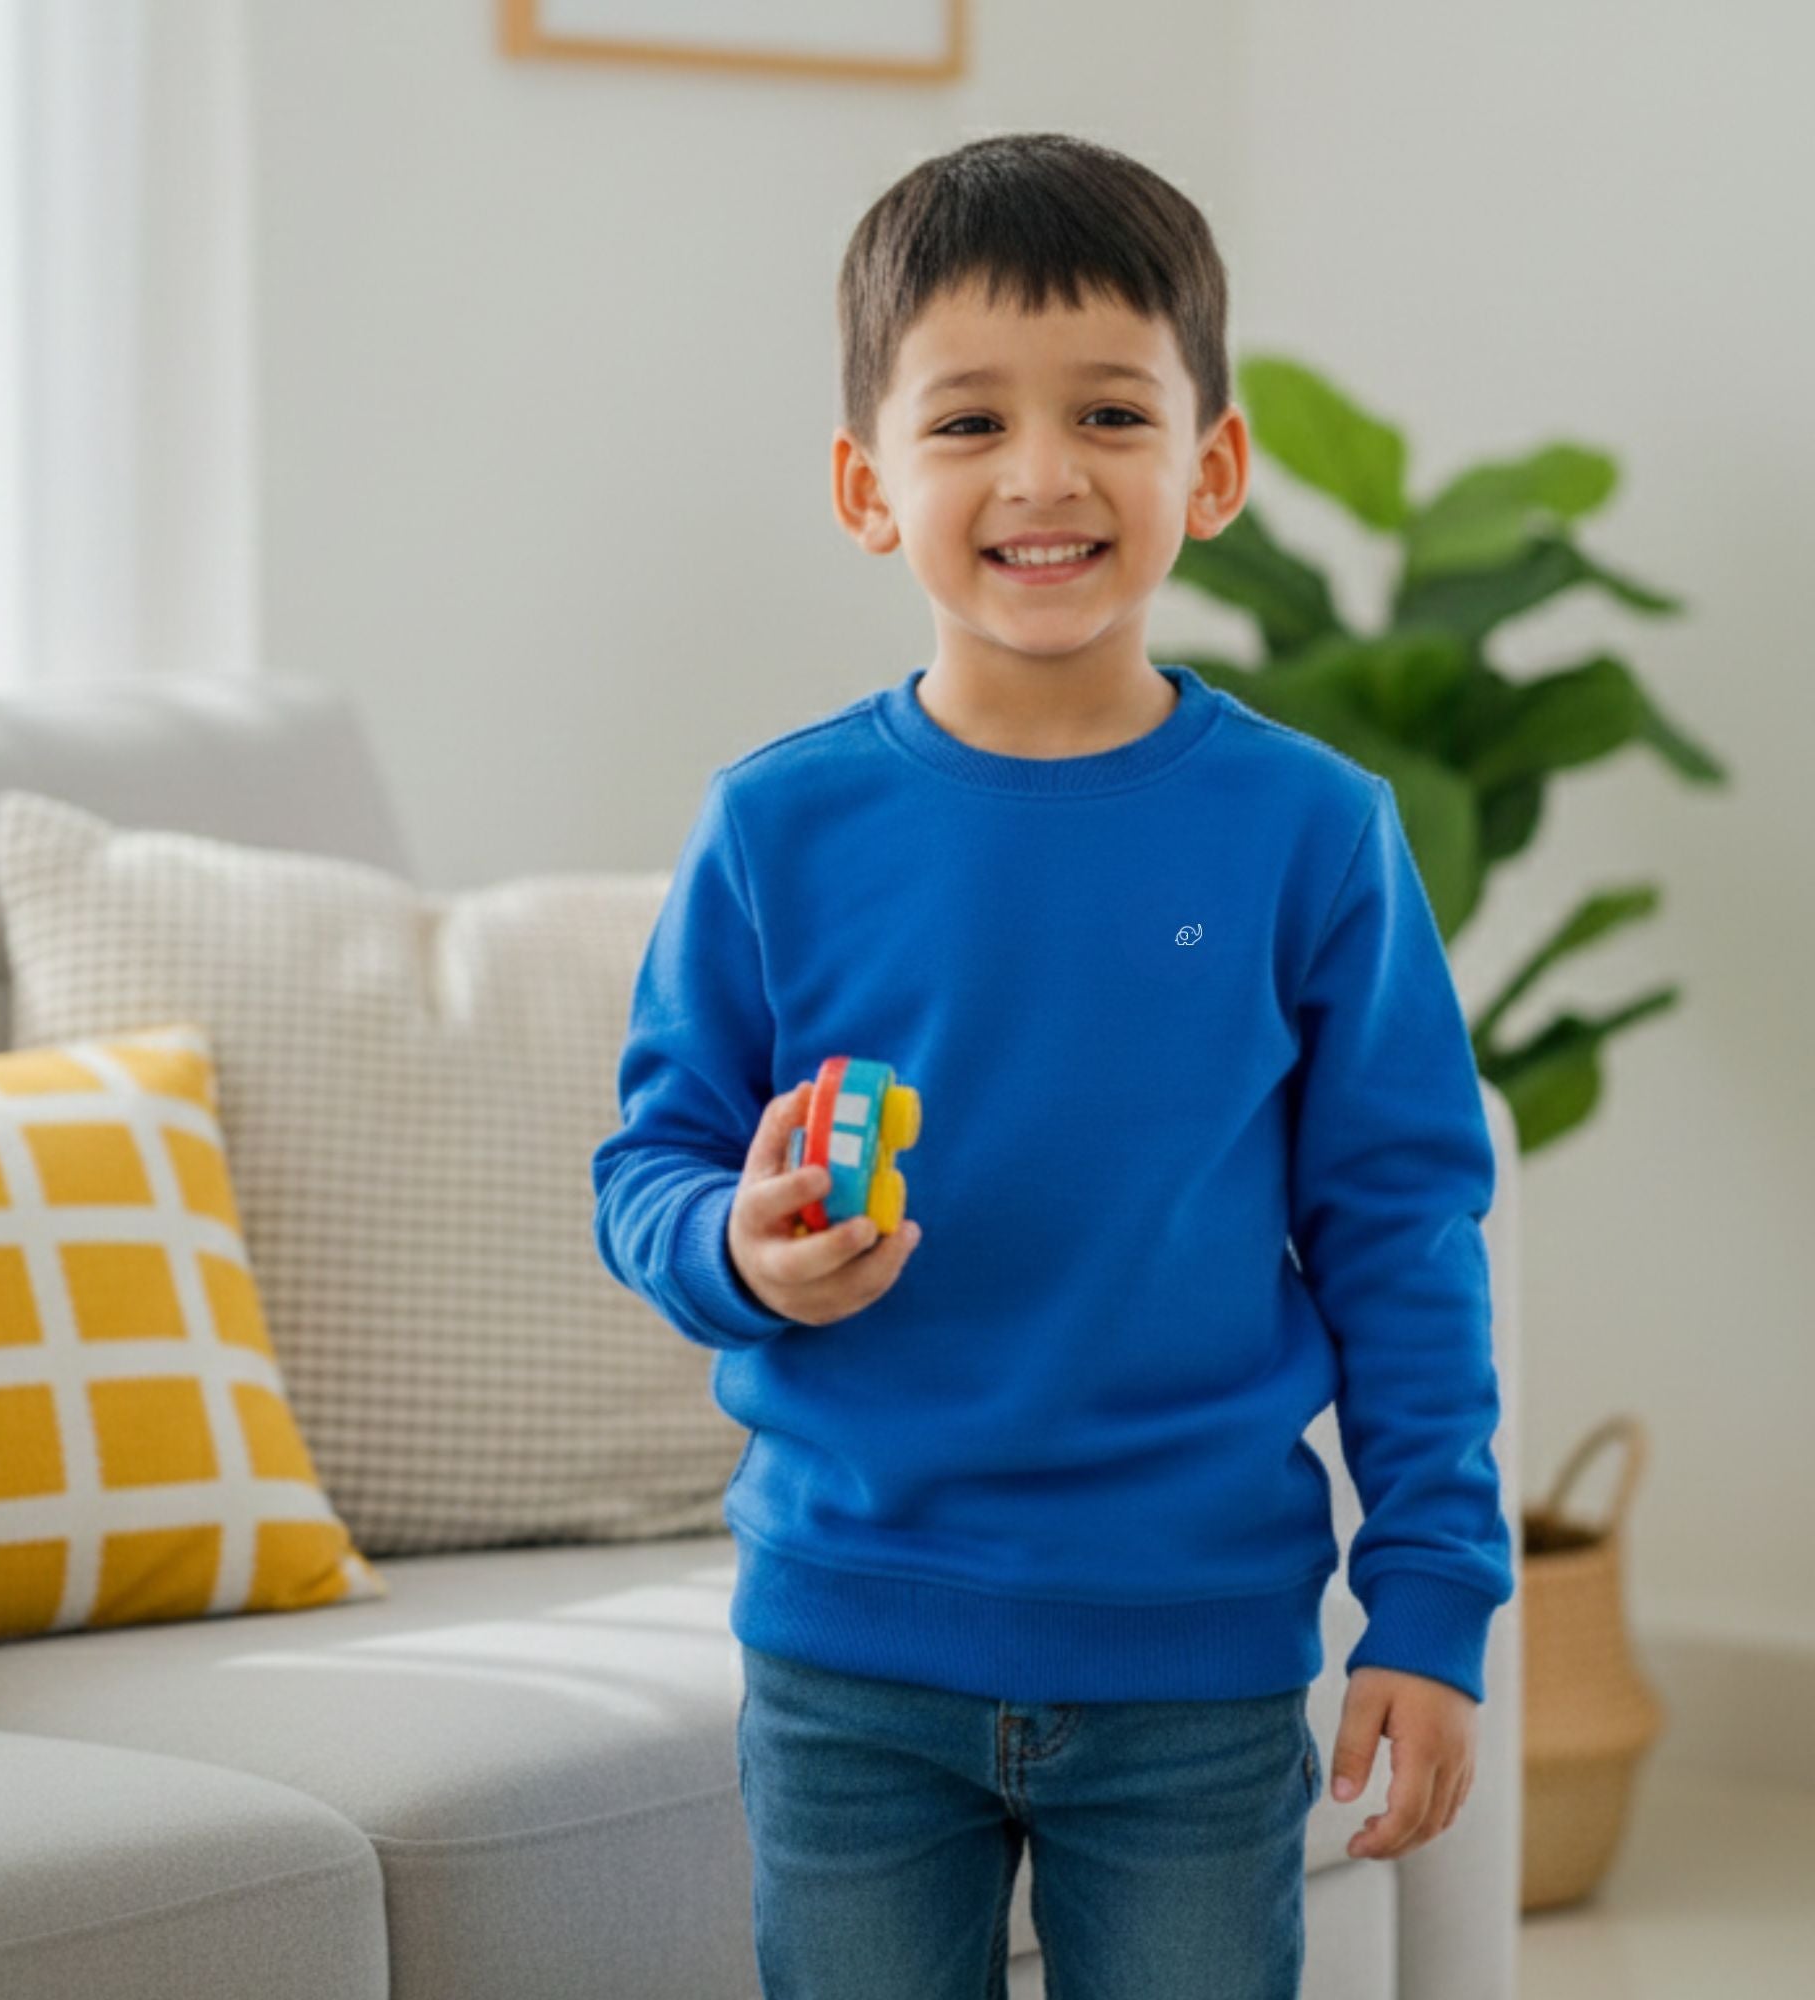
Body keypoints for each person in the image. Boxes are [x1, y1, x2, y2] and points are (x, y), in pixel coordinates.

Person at [591, 130, 1513, 2000]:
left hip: (1196, 1657)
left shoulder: (1314, 835)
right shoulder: (775, 829)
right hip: (849, 1649)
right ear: (867, 487)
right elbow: (652, 1167)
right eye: (965, 425)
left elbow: (1405, 1234)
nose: (1042, 474)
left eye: (1109, 411)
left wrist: (1430, 1601)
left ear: (1214, 464)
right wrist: (738, 1249)